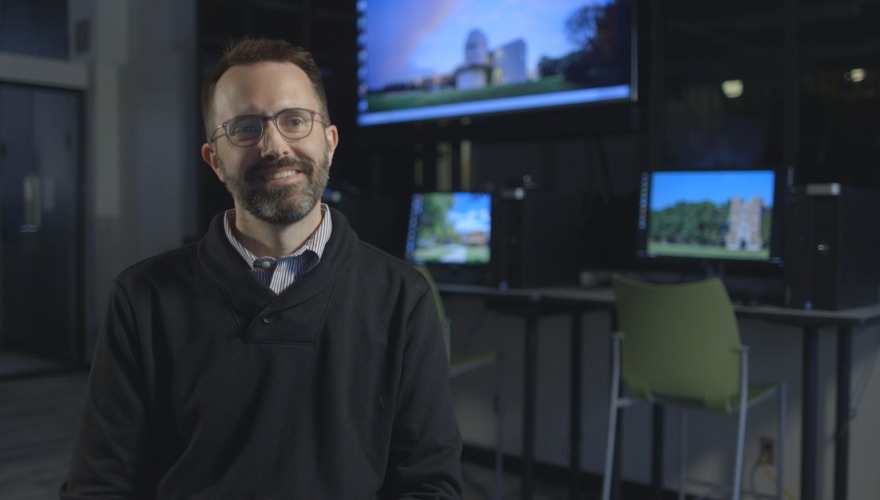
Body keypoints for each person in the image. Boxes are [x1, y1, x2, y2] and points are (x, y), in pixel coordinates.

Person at [60, 37, 463, 499]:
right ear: (215, 160)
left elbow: (429, 484)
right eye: (246, 128)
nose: (274, 146)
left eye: (295, 121)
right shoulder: (142, 297)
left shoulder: (402, 296)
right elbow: (100, 484)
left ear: (329, 143)